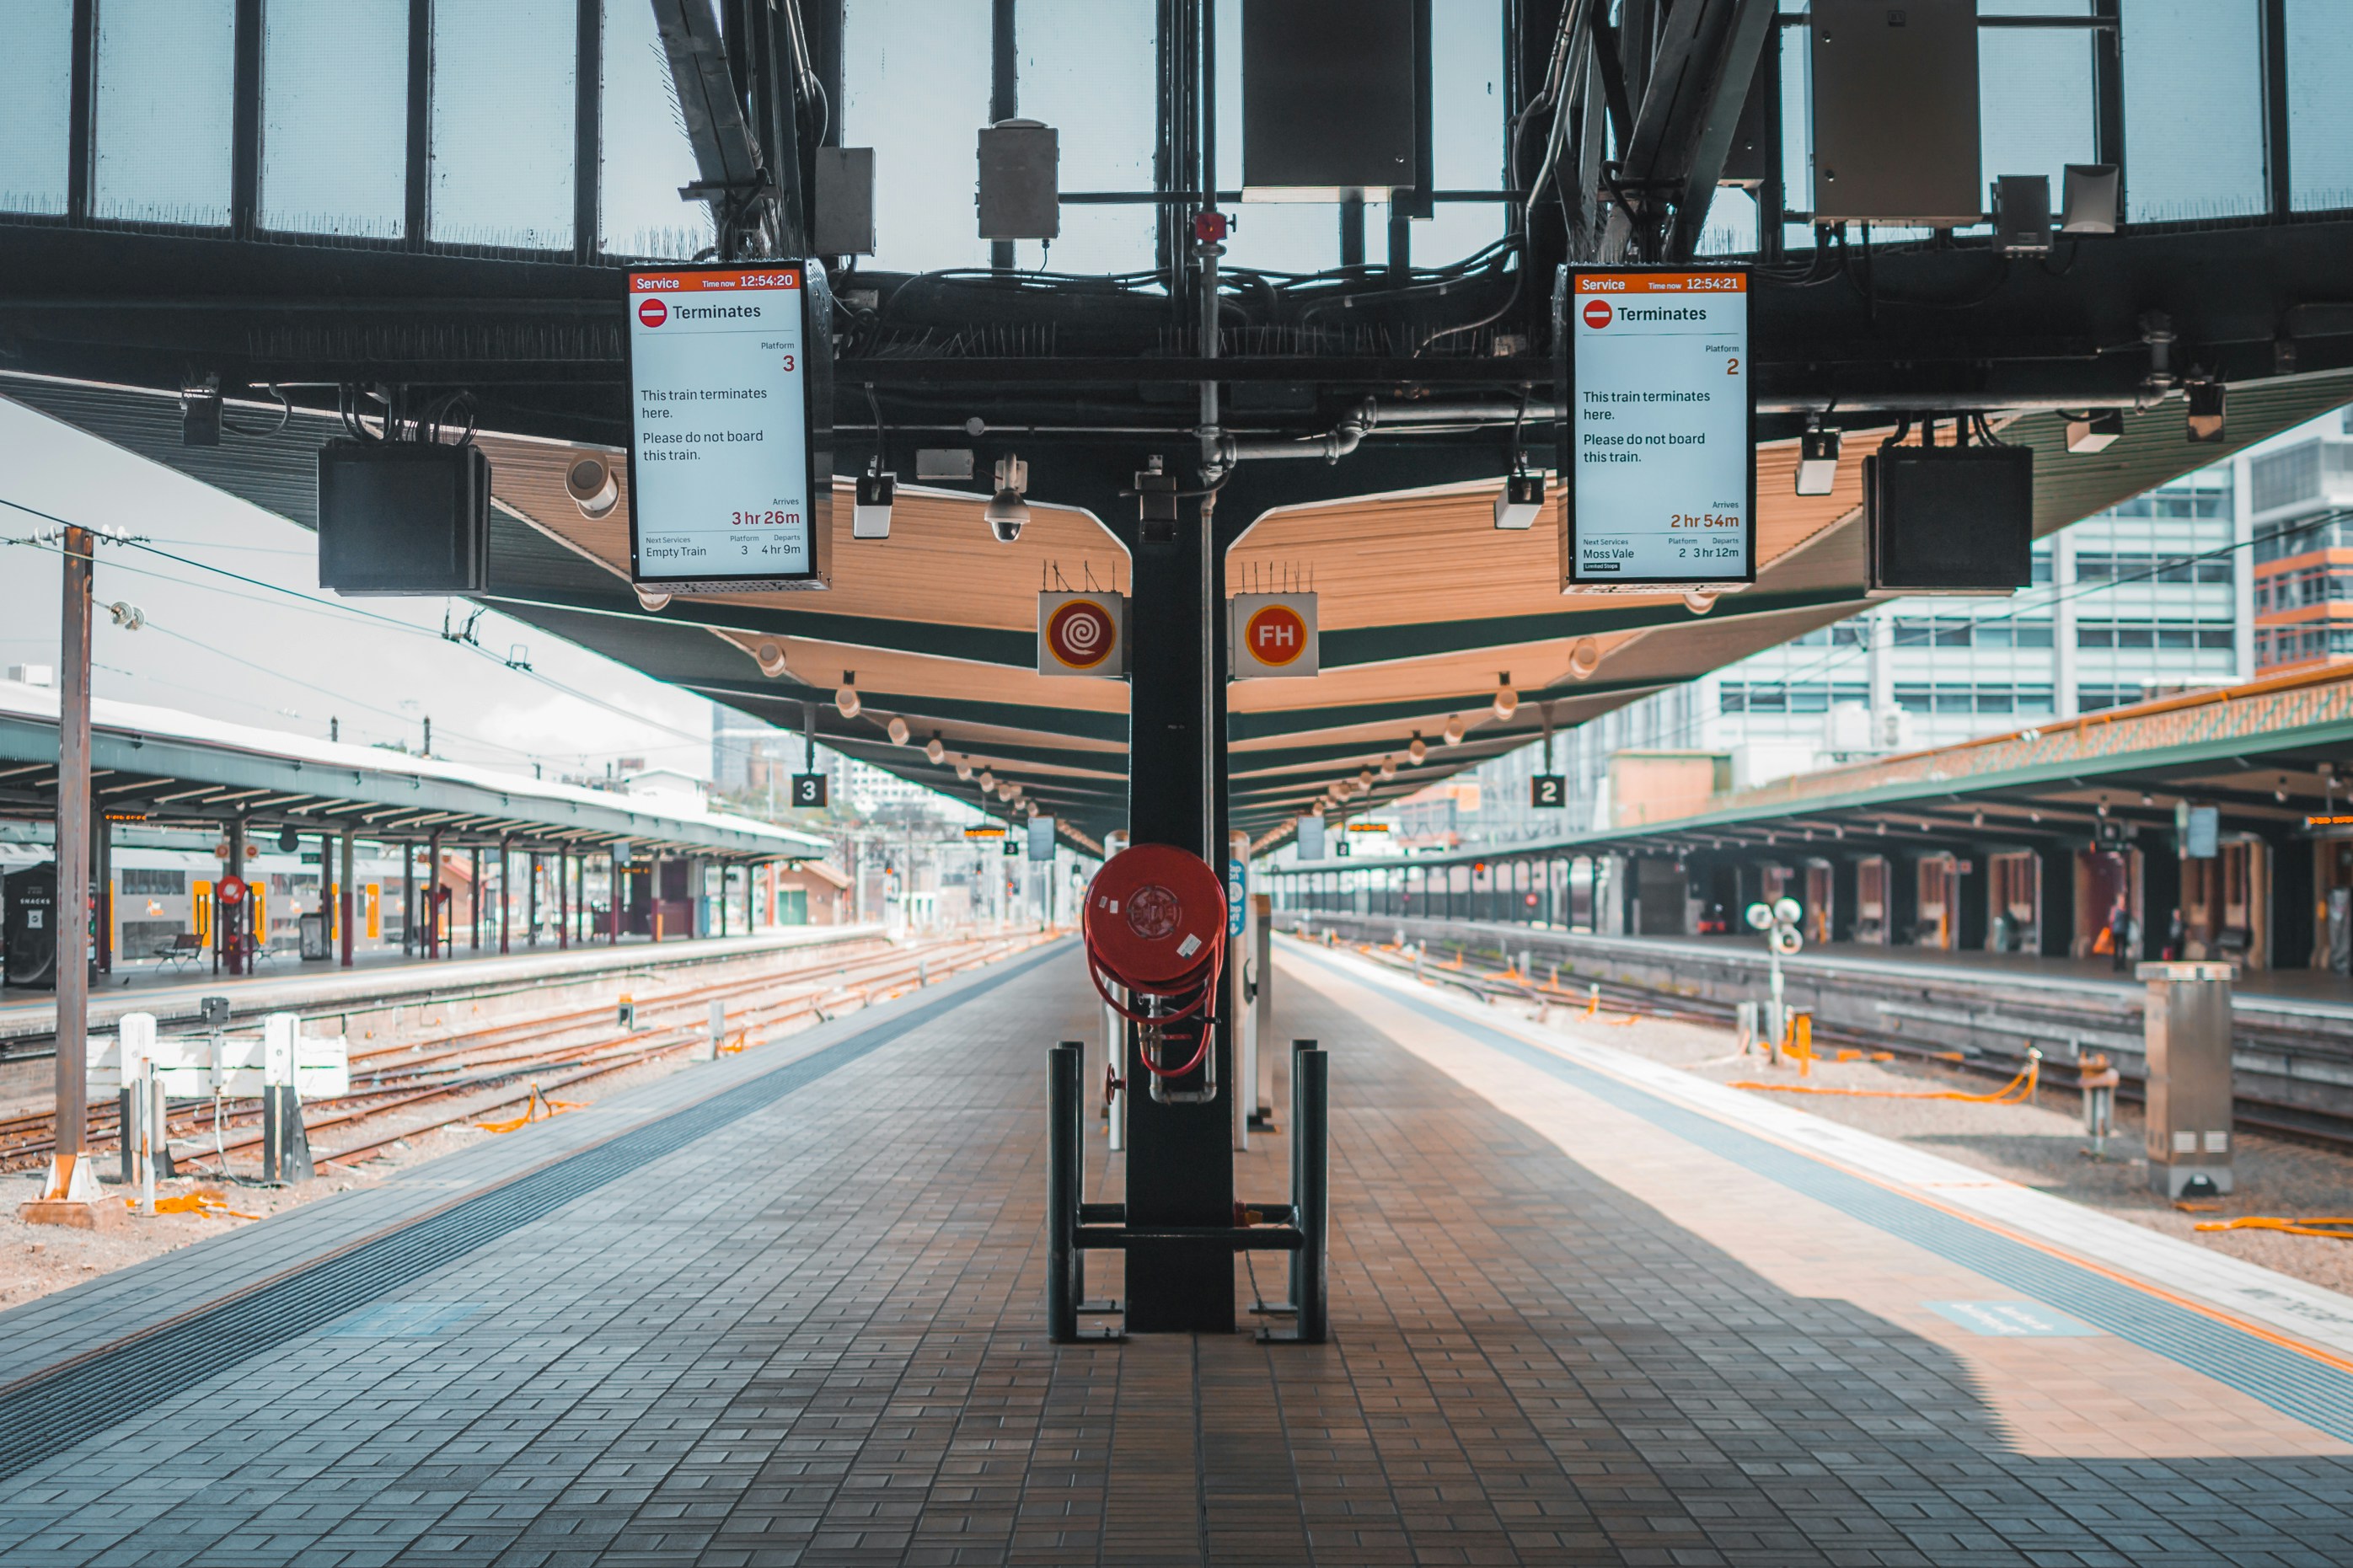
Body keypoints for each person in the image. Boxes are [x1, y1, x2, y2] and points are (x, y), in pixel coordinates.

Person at [2106, 895, 2132, 973]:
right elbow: (2111, 919)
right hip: (2116, 931)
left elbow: (2128, 920)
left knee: (2123, 949)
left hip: (2124, 931)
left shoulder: (2126, 909)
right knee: (2116, 948)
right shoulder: (2114, 909)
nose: (2122, 902)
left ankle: (2122, 964)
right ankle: (2116, 964)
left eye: (2123, 900)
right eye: (2121, 900)